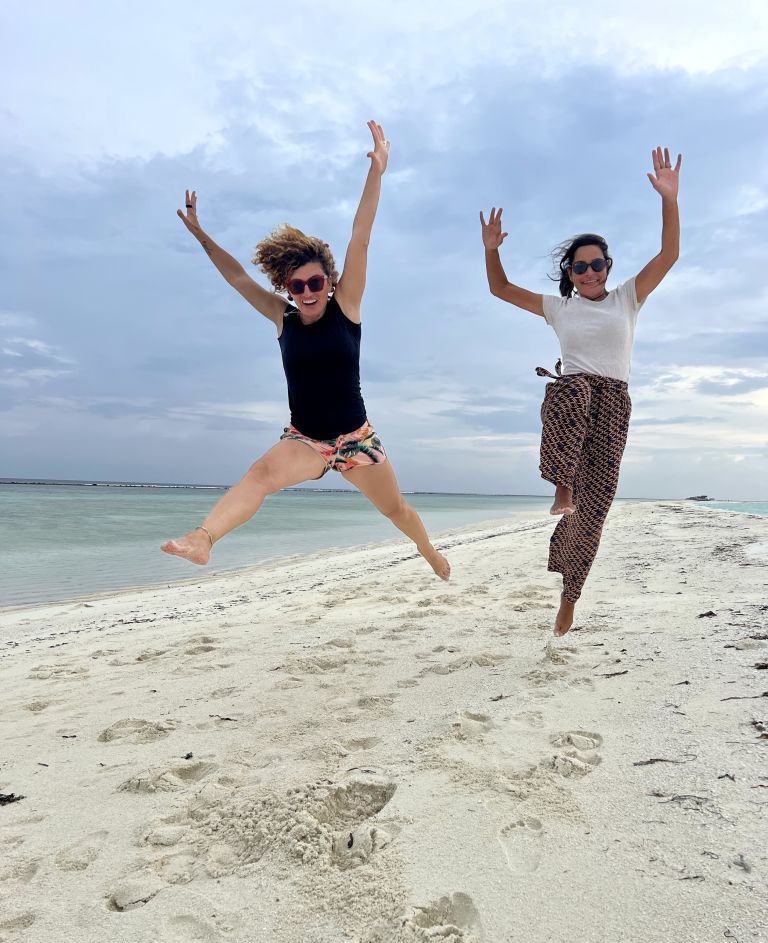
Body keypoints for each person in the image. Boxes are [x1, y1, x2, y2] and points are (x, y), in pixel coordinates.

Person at [162, 121, 450, 582]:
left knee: (396, 510)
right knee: (260, 472)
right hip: (307, 441)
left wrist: (377, 172)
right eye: (297, 286)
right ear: (288, 289)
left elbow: (361, 235)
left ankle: (427, 548)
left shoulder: (347, 307)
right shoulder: (283, 319)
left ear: (330, 282)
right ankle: (203, 538)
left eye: (316, 282)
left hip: (357, 439)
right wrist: (201, 234)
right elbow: (238, 277)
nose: (307, 292)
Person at [480, 146, 681, 635]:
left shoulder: (628, 299)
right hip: (573, 396)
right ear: (568, 274)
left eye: (598, 265)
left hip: (615, 404)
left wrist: (669, 199)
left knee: (597, 508)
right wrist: (491, 249)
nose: (590, 273)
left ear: (608, 268)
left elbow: (670, 253)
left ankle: (570, 596)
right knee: (574, 391)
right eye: (580, 267)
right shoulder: (559, 308)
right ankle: (561, 486)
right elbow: (501, 290)